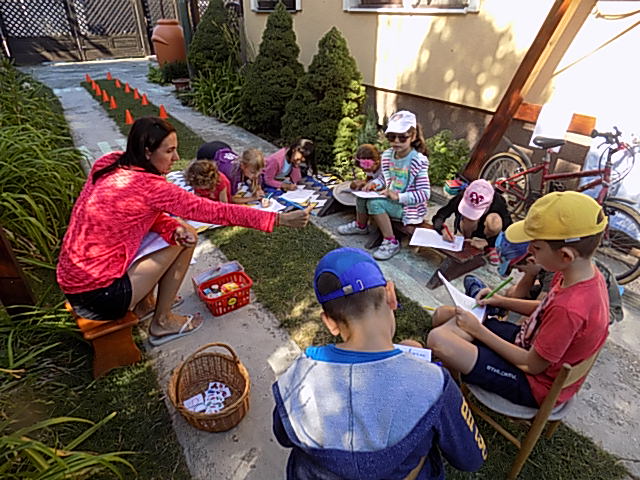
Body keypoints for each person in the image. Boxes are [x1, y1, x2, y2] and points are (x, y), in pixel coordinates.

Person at [57, 117, 311, 346]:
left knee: (180, 231)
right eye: (169, 151)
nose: (176, 157)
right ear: (147, 152)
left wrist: (171, 227)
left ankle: (146, 304)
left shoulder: (110, 162)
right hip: (99, 298)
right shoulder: (150, 187)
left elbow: (139, 214)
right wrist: (278, 219)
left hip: (74, 280)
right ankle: (162, 322)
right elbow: (217, 211)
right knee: (187, 236)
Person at [272, 247, 486, 479]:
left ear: (330, 323)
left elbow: (283, 435)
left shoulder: (298, 375)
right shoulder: (434, 384)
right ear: (391, 295)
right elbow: (470, 459)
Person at [426, 191, 610, 408]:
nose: (529, 250)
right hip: (526, 342)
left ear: (565, 255)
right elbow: (545, 308)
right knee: (443, 315)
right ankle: (454, 372)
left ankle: (449, 393)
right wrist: (500, 301)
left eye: (536, 247)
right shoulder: (578, 273)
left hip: (532, 382)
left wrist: (478, 331)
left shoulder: (570, 309)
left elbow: (532, 365)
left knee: (438, 339)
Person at [337, 110, 430, 261]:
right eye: (392, 137)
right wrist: (373, 184)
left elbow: (424, 193)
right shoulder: (388, 155)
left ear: (413, 136)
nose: (396, 141)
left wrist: (398, 196)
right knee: (362, 196)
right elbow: (384, 178)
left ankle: (391, 241)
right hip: (391, 200)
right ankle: (361, 226)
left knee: (374, 203)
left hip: (408, 208)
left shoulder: (418, 161)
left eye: (402, 137)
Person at [431, 179, 511, 266]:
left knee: (495, 220)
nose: (471, 215)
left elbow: (509, 230)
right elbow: (439, 216)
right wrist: (442, 229)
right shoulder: (462, 196)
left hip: (486, 232)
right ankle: (467, 241)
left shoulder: (498, 201)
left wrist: (489, 242)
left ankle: (490, 247)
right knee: (469, 220)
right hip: (467, 228)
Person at [194, 142, 266, 204]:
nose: (256, 175)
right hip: (207, 153)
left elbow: (257, 181)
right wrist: (253, 198)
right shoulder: (232, 174)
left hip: (223, 147)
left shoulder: (251, 167)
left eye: (259, 172)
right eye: (253, 172)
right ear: (242, 166)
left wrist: (258, 189)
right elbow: (229, 199)